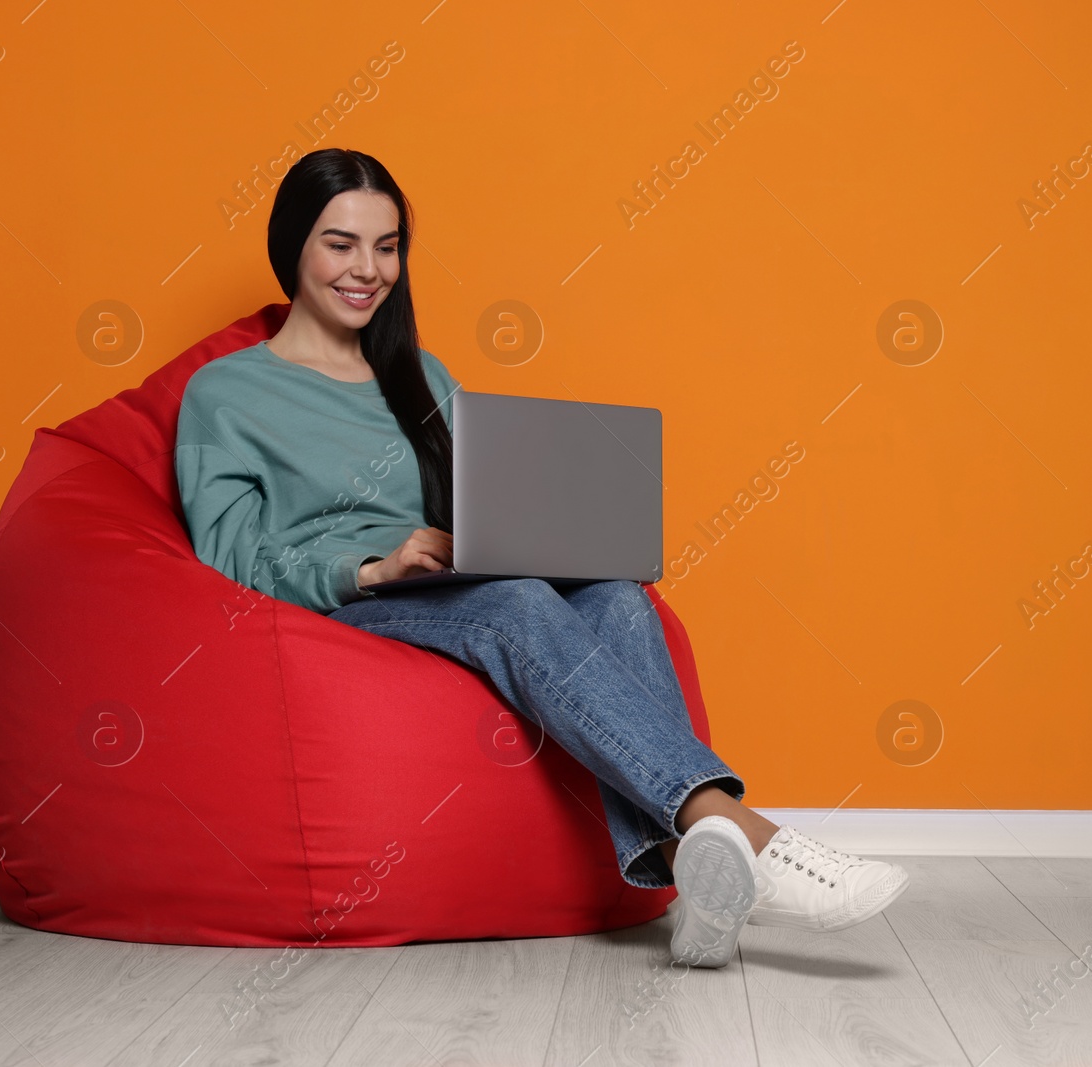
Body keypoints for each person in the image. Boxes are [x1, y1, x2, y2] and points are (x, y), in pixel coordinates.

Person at [173, 147, 908, 968]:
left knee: (619, 597)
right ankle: (749, 837)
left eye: (387, 247)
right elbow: (228, 558)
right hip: (355, 602)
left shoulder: (420, 374)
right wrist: (371, 565)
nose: (367, 270)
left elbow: (476, 506)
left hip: (449, 587)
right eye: (341, 243)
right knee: (521, 603)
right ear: (293, 245)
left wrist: (543, 541)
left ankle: (686, 872)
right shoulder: (227, 392)